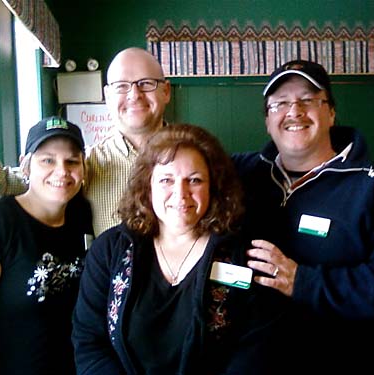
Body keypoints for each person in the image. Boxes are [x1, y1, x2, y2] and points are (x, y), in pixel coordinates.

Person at [232, 60, 374, 374]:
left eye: (308, 100)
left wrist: (305, 283)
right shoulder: (238, 174)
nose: (294, 111)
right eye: (280, 103)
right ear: (267, 120)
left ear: (331, 112)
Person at [72, 124, 280, 375]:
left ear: (214, 186)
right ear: (147, 186)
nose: (181, 194)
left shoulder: (245, 256)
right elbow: (90, 342)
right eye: (166, 180)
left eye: (194, 180)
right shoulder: (110, 250)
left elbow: (255, 351)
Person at [0, 39, 171, 236]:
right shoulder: (85, 167)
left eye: (146, 83)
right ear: (107, 96)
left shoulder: (199, 160)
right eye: (121, 86)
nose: (134, 95)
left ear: (166, 91)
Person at [0, 117, 94, 375]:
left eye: (72, 161)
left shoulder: (82, 216)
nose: (61, 171)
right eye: (47, 160)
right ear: (25, 166)